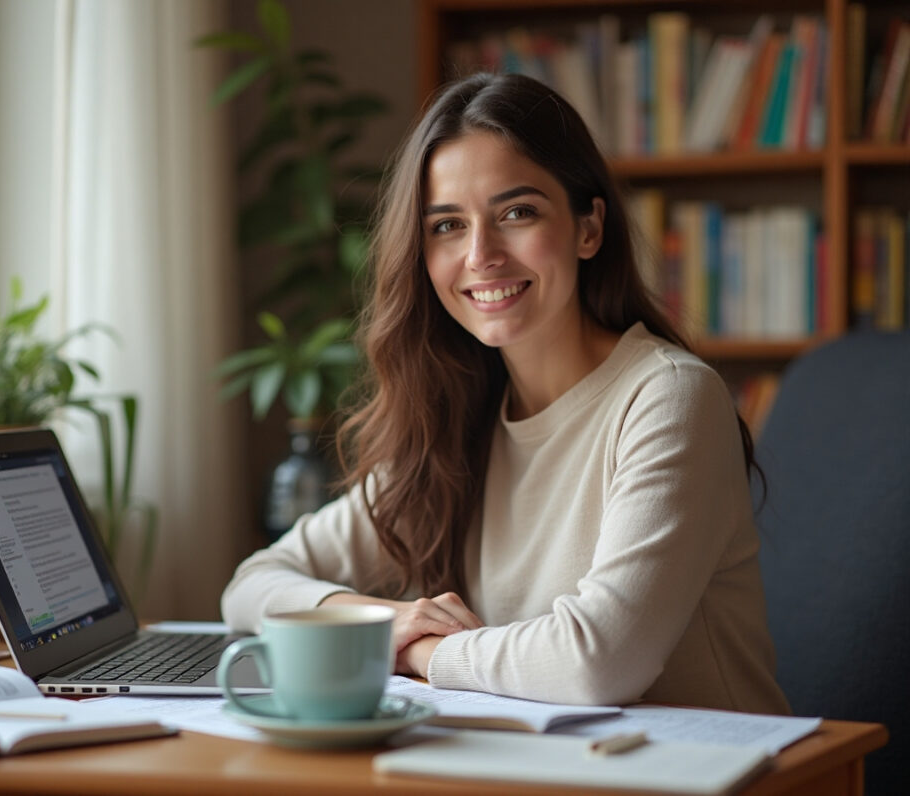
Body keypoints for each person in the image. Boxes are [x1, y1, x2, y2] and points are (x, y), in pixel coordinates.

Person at [222, 72, 790, 714]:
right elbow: (251, 586)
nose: (481, 254)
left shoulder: (669, 399)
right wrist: (386, 621)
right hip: (548, 771)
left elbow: (599, 663)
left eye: (517, 213)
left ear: (588, 228)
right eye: (446, 226)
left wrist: (419, 654)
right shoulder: (458, 417)